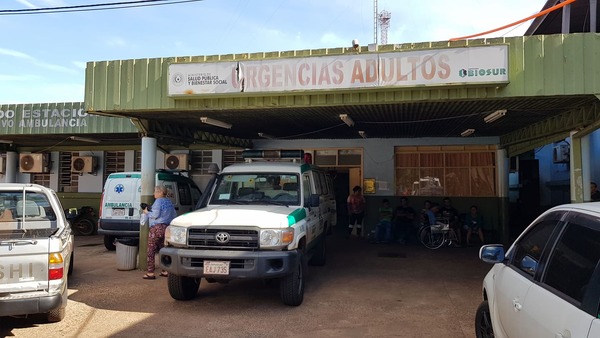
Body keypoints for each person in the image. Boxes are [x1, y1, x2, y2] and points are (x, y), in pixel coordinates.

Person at [143, 185, 178, 280]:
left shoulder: (158, 201)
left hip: (156, 228)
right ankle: (165, 270)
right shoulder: (169, 202)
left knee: (151, 250)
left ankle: (150, 272)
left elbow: (155, 214)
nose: (154, 193)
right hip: (166, 228)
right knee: (163, 249)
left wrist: (146, 212)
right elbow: (174, 215)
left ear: (160, 192)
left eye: (155, 191)